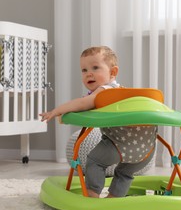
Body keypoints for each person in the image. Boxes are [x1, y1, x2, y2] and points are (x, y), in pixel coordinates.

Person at [40, 46, 157, 198]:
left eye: (95, 68)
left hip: (118, 145)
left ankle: (92, 195)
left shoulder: (105, 91)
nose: (89, 73)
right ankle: (114, 199)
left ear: (113, 72)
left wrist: (57, 111)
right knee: (125, 172)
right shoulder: (124, 93)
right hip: (146, 150)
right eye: (84, 70)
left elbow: (83, 104)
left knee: (95, 162)